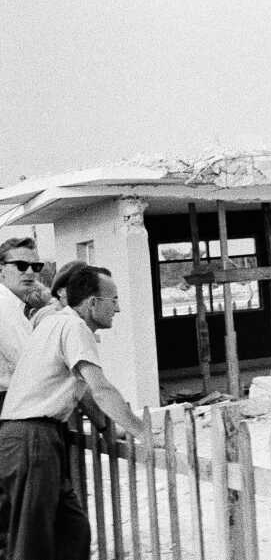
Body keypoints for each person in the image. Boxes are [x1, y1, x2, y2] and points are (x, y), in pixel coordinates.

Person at [0, 265, 143, 560]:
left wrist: (107, 429)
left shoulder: (57, 322)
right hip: (32, 437)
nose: (117, 308)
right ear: (92, 303)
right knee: (32, 542)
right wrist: (143, 431)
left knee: (73, 531)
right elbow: (100, 388)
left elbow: (85, 393)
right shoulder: (74, 327)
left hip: (34, 437)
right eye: (113, 300)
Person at [0, 238, 42, 414]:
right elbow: (30, 363)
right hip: (8, 403)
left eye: (36, 266)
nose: (30, 272)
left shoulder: (14, 305)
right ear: (1, 270)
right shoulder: (5, 305)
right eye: (21, 266)